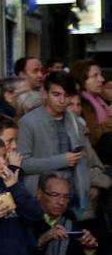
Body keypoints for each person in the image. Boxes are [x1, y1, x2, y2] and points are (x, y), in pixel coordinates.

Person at [18, 70, 106, 215]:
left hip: (73, 197)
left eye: (66, 95)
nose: (62, 100)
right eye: (56, 94)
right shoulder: (28, 122)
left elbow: (87, 158)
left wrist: (94, 184)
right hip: (41, 201)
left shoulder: (74, 120)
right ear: (45, 93)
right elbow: (23, 164)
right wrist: (61, 160)